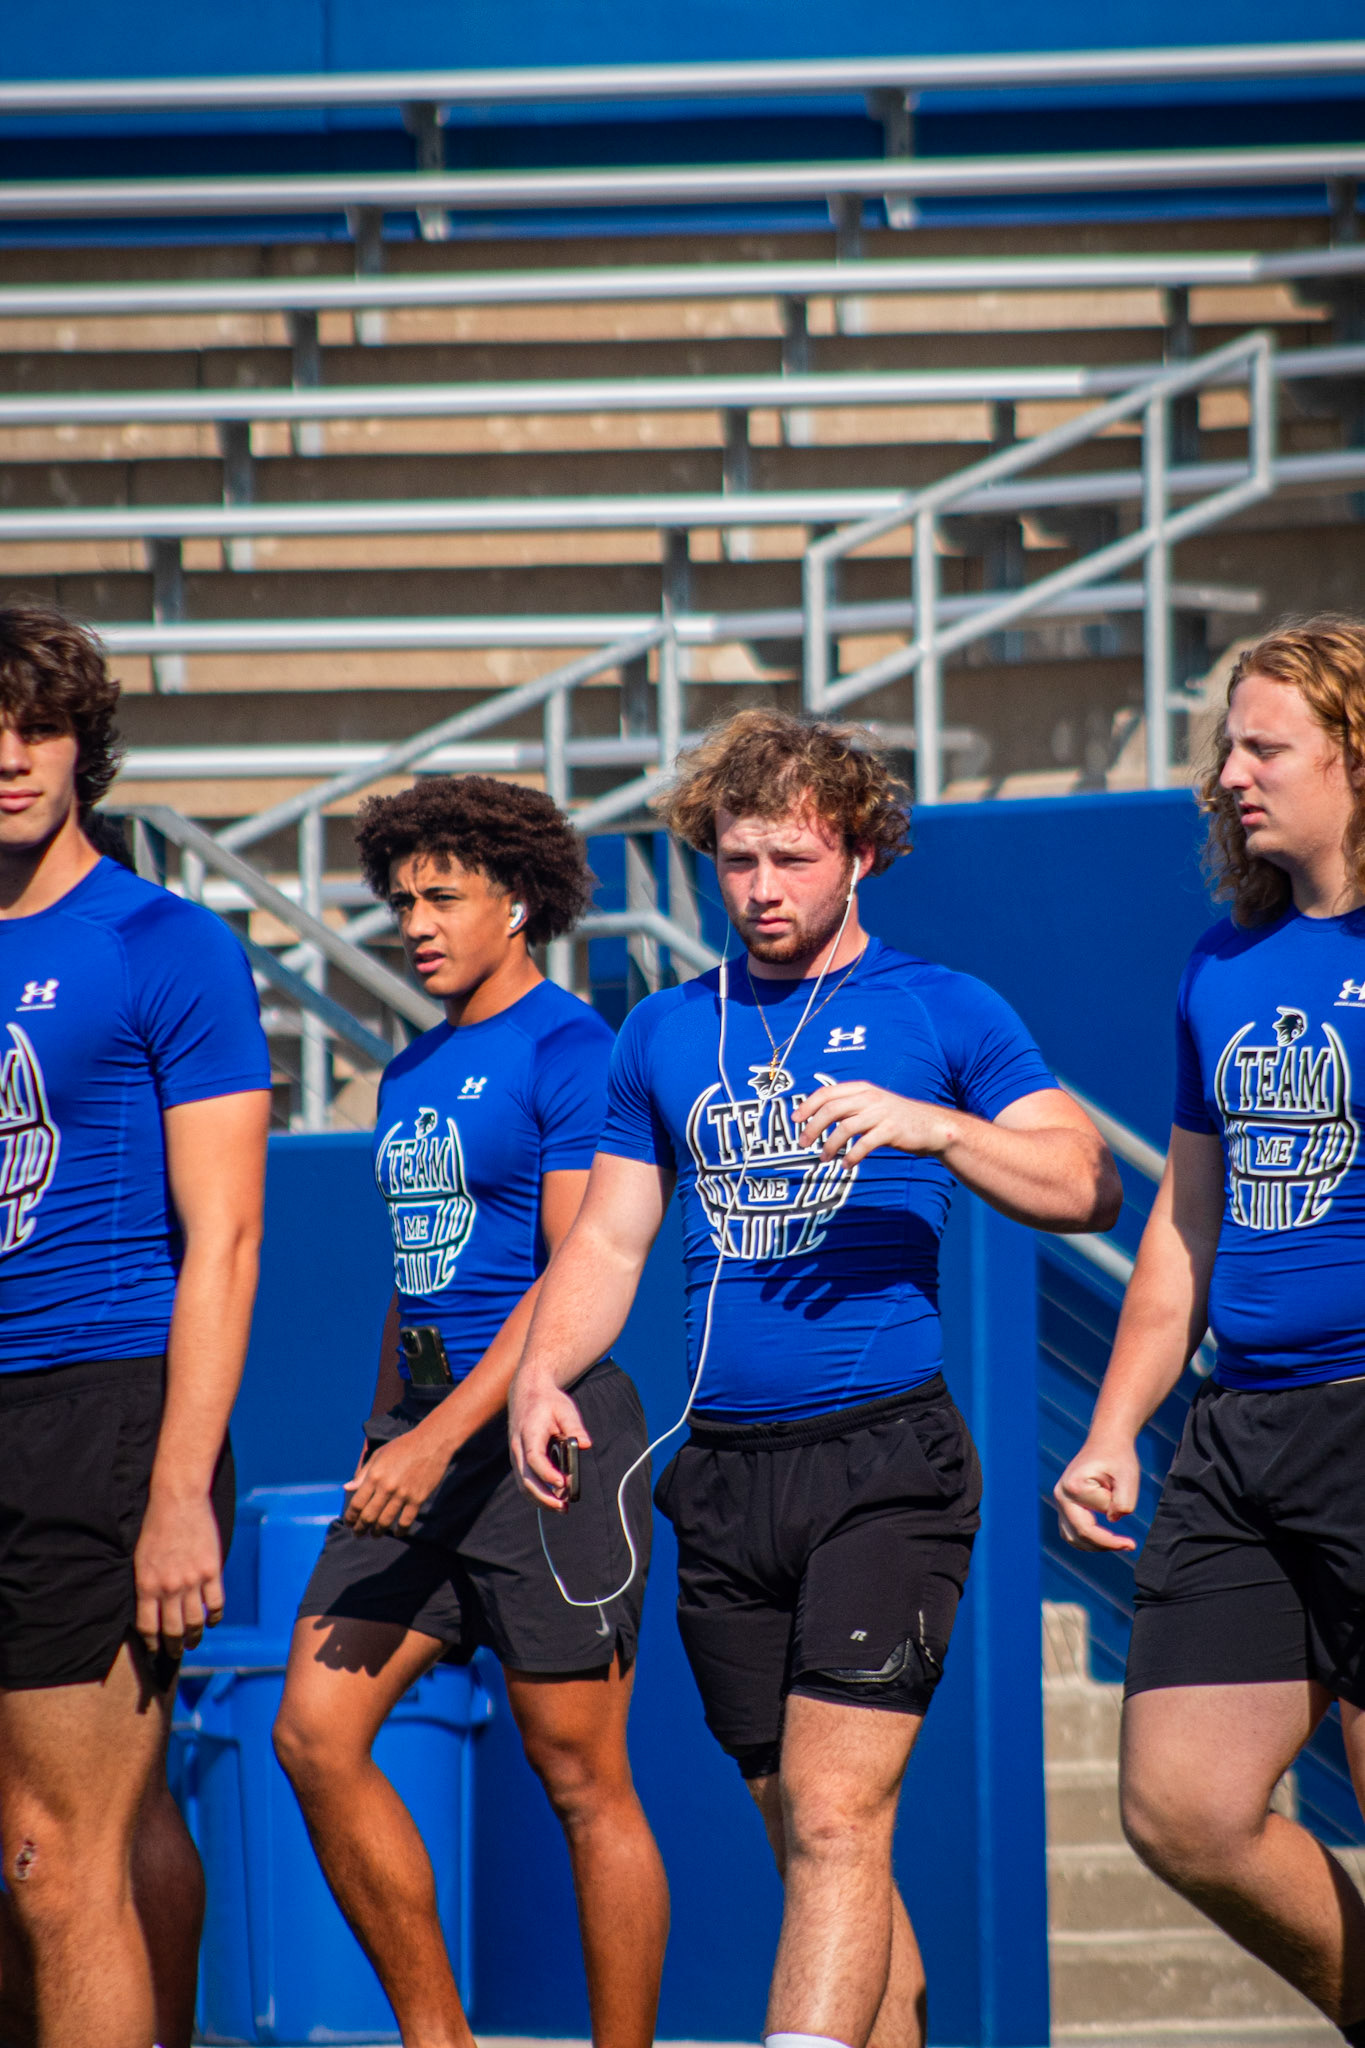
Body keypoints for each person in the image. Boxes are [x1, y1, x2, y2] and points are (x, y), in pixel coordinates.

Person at [509, 708, 1120, 2048]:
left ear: (859, 853)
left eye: (791, 858)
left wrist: (937, 1127)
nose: (762, 888)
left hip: (884, 1462)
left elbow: (1086, 1182)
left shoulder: (940, 1007)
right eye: (737, 861)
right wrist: (542, 1372)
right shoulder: (665, 1028)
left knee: (840, 1817)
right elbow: (610, 1238)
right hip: (724, 1479)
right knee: (814, 1837)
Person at [273, 776, 669, 2048]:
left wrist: (444, 1438)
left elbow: (569, 1272)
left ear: (519, 901)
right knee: (312, 1733)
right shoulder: (409, 1068)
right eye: (402, 900)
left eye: (442, 895)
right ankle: (437, 2037)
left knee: (580, 1774)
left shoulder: (574, 1047)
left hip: (552, 1437)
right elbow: (416, 1273)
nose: (415, 923)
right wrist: (388, 1433)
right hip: (422, 1437)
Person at [1055, 616, 1365, 2045]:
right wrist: (1114, 1428)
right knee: (1180, 1804)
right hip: (1241, 1434)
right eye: (1226, 747)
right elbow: (1184, 1228)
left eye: (1265, 747)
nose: (1230, 774)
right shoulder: (1223, 962)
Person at [0, 601, 272, 2048]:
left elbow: (226, 1238)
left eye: (38, 728)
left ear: (83, 748)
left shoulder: (167, 944)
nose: (9, 757)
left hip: (97, 1409)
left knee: (58, 1861)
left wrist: (177, 1492)